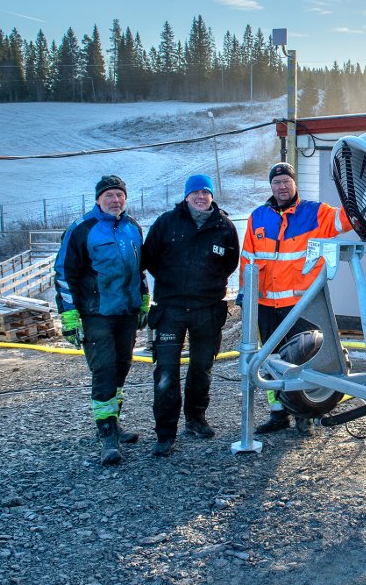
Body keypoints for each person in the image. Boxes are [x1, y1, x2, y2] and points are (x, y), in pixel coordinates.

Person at [239, 161, 352, 435]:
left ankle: (304, 416)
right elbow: (248, 260)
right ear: (271, 186)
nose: (282, 187)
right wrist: (244, 293)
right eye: (277, 182)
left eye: (286, 181)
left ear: (294, 183)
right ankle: (278, 414)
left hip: (300, 305)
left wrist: (360, 200)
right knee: (269, 360)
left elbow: (344, 220)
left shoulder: (315, 213)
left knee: (303, 358)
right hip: (266, 306)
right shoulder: (257, 218)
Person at [141, 174, 240, 457]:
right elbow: (149, 259)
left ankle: (196, 419)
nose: (200, 197)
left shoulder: (224, 226)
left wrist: (205, 285)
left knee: (202, 367)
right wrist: (174, 283)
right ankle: (165, 433)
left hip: (207, 309)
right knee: (166, 372)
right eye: (195, 192)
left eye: (205, 192)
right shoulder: (166, 223)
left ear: (211, 196)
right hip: (170, 309)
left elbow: (230, 263)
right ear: (186, 196)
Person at [54, 175, 150, 466]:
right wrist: (69, 315)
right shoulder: (82, 229)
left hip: (126, 312)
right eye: (109, 195)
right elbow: (64, 273)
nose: (115, 200)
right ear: (98, 199)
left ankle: (114, 422)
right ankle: (106, 435)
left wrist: (144, 299)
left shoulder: (132, 227)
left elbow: (139, 269)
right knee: (104, 370)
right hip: (96, 313)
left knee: (121, 368)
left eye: (119, 195)